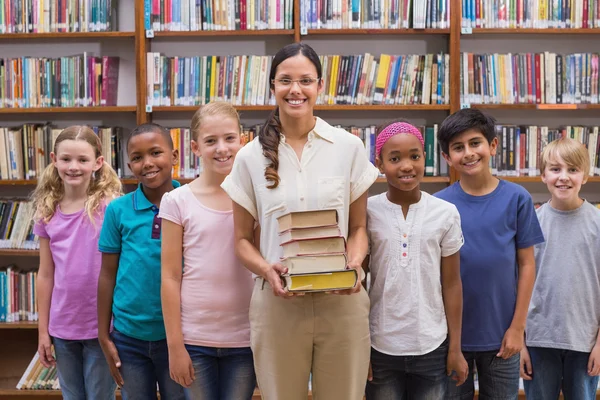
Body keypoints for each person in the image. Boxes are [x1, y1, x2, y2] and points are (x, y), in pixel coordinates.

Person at [221, 42, 379, 400]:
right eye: (286, 81)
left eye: (305, 80)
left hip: (342, 299)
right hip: (279, 303)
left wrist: (354, 263)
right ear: (273, 86)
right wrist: (265, 269)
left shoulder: (347, 147)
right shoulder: (248, 157)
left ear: (320, 86)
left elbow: (358, 228)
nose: (296, 90)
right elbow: (242, 241)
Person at [434, 109, 544, 399]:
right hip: (449, 340)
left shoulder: (517, 198)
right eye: (458, 148)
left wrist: (518, 328)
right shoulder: (438, 206)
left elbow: (527, 264)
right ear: (447, 157)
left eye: (475, 143)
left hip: (502, 338)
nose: (468, 153)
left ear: (493, 146)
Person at [364, 120, 468, 400]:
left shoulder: (446, 213)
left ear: (425, 157)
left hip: (432, 347)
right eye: (394, 158)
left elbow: (452, 284)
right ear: (380, 163)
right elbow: (357, 283)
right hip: (380, 346)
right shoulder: (367, 211)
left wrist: (455, 348)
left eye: (414, 156)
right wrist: (359, 347)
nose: (406, 166)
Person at [160, 102, 256, 400]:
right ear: (195, 147)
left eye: (229, 138)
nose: (221, 148)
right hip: (195, 340)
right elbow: (170, 276)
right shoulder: (177, 201)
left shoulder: (257, 197)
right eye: (210, 141)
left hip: (246, 339)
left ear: (243, 140)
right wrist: (175, 346)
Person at [97, 123, 185, 400]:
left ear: (175, 156)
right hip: (129, 336)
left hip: (179, 335)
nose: (147, 163)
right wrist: (103, 334)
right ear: (128, 164)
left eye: (156, 152)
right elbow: (107, 274)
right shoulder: (118, 210)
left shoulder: (190, 203)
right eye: (137, 158)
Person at [32, 126, 121, 400]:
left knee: (99, 396)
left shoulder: (110, 208)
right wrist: (43, 331)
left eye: (82, 160)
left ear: (98, 162)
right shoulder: (47, 212)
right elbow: (46, 275)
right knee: (72, 396)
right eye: (66, 159)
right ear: (54, 159)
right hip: (63, 327)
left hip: (103, 327)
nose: (73, 167)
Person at [520, 137, 600, 399]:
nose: (563, 177)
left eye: (573, 170)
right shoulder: (531, 223)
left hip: (585, 342)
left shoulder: (598, 223)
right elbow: (516, 284)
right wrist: (520, 342)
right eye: (555, 169)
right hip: (538, 340)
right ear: (543, 175)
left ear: (585, 177)